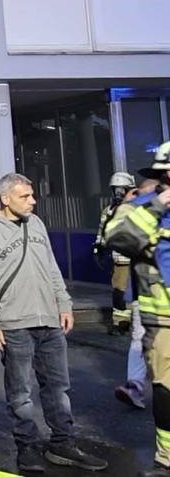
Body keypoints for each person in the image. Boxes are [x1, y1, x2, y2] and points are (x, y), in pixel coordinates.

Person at [0, 173, 107, 472]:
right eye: (25, 197)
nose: (33, 201)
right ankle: (27, 447)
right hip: (13, 324)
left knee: (58, 388)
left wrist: (64, 303)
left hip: (49, 321)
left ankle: (62, 443)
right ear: (5, 199)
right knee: (20, 394)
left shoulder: (36, 224)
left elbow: (52, 268)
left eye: (32, 195)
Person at [105, 142, 170, 477]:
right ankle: (166, 458)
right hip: (163, 322)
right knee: (166, 389)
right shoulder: (141, 206)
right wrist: (158, 206)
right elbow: (118, 239)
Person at [116, 177, 161, 410]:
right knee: (140, 339)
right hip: (145, 294)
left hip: (148, 293)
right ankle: (135, 386)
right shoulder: (139, 212)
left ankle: (136, 386)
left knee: (140, 340)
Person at [98, 172, 139, 335]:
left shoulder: (139, 208)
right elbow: (103, 231)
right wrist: (99, 247)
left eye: (122, 189)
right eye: (116, 189)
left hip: (138, 258)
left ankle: (141, 321)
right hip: (120, 259)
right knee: (119, 291)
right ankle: (121, 322)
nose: (119, 193)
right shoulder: (109, 211)